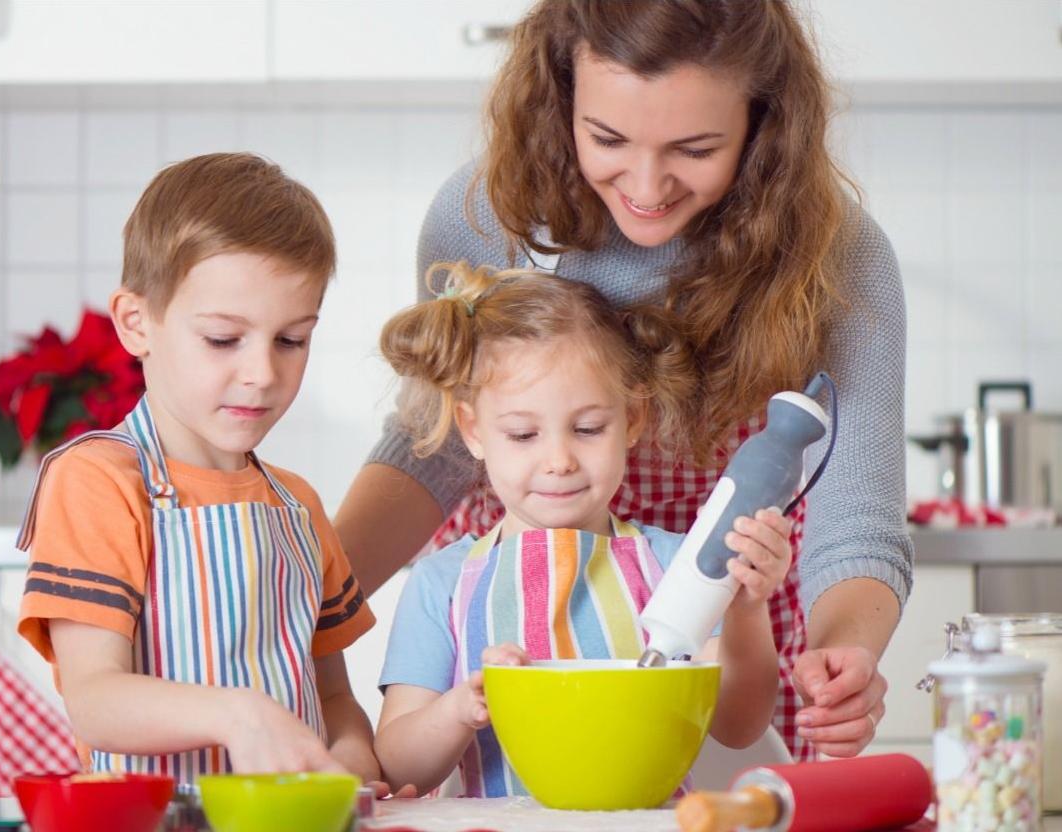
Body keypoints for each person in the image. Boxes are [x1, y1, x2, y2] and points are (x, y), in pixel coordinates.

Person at [336, 0, 911, 761]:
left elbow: (857, 512)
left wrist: (844, 655)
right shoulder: (486, 218)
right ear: (560, 96)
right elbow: (433, 444)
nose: (646, 184)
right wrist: (306, 606)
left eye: (695, 148)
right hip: (521, 620)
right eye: (606, 138)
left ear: (764, 125)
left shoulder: (836, 257)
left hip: (716, 629)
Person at [15, 152, 380, 783]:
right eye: (222, 338)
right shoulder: (99, 482)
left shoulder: (296, 507)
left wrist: (350, 763)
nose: (263, 373)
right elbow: (95, 700)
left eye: (291, 340)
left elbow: (336, 702)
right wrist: (240, 716)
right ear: (137, 323)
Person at [372, 262, 793, 796]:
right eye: (523, 434)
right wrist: (462, 706)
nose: (559, 461)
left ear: (633, 419)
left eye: (588, 428)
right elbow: (398, 767)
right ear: (474, 431)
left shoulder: (677, 566)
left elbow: (739, 725)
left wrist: (746, 611)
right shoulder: (440, 583)